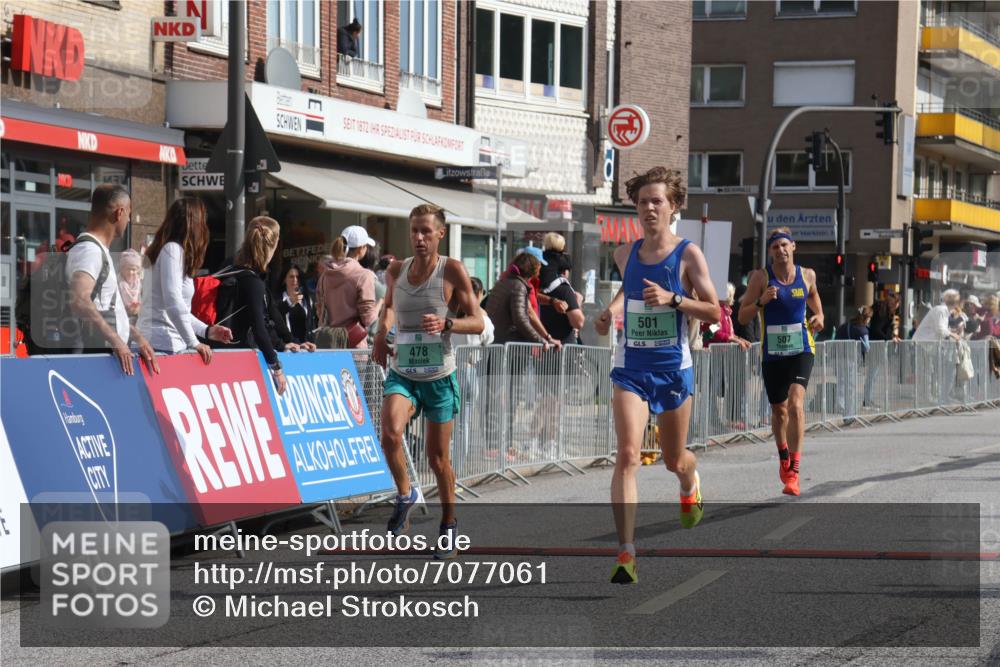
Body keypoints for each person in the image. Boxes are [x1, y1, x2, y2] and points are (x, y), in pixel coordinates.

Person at [593, 167, 720, 584]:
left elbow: (715, 311)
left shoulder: (688, 254)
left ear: (672, 207)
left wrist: (673, 298)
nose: (649, 208)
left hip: (672, 370)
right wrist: (610, 312)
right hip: (631, 369)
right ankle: (626, 552)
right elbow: (626, 292)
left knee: (672, 459)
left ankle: (689, 481)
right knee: (628, 455)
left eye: (657, 201)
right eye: (643, 201)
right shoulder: (624, 254)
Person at [372, 204, 484, 559]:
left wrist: (447, 323)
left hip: (438, 377)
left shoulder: (452, 270)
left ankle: (449, 524)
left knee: (438, 460)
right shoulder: (396, 269)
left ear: (440, 234)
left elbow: (478, 321)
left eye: (425, 232)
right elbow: (388, 306)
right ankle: (406, 494)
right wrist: (380, 333)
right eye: (414, 231)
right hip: (404, 371)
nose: (418, 238)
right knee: (389, 433)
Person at [737, 227, 824, 497]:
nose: (780, 250)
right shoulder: (760, 278)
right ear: (770, 251)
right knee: (779, 411)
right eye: (775, 247)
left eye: (784, 245)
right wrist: (761, 302)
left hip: (801, 348)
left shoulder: (807, 275)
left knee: (796, 403)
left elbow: (814, 298)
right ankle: (783, 455)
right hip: (773, 353)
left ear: (793, 247)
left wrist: (819, 316)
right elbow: (741, 316)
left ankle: (794, 471)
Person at [65, 183, 158, 376]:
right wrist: (116, 341)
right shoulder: (90, 251)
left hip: (105, 357)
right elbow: (80, 300)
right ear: (119, 213)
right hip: (98, 361)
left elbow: (105, 308)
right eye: (129, 214)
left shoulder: (96, 250)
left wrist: (136, 336)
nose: (129, 220)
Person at [138, 197, 232, 363]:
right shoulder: (172, 250)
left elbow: (179, 308)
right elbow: (173, 301)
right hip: (161, 345)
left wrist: (206, 331)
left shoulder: (171, 251)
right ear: (193, 223)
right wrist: (194, 342)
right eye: (203, 220)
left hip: (164, 344)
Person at [229, 216, 298, 396]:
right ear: (273, 245)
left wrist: (287, 343)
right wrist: (277, 367)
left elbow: (272, 314)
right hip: (239, 362)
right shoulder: (253, 282)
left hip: (221, 354)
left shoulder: (234, 270)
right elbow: (259, 328)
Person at [317, 226, 377, 349]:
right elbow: (368, 318)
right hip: (354, 345)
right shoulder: (364, 275)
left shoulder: (325, 275)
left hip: (328, 345)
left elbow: (320, 311)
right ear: (361, 249)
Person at [487, 252, 558, 347]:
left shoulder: (502, 282)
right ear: (533, 271)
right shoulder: (519, 286)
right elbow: (521, 319)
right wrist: (540, 340)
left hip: (496, 342)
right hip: (511, 346)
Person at [540, 243, 585, 346]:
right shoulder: (564, 290)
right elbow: (578, 322)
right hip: (561, 348)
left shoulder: (538, 289)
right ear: (565, 272)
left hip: (541, 347)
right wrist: (578, 301)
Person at [275, 263, 318, 346]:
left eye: (297, 277)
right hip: (287, 347)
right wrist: (290, 302)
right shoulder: (278, 299)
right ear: (284, 280)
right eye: (291, 276)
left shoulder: (307, 299)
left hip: (306, 347)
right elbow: (276, 315)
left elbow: (311, 325)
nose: (295, 280)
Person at [118, 249, 143, 324]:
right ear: (122, 269)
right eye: (128, 269)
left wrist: (137, 309)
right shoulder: (116, 283)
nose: (131, 272)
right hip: (120, 321)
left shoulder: (140, 284)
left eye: (133, 269)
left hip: (137, 322)